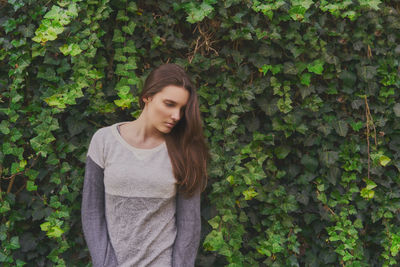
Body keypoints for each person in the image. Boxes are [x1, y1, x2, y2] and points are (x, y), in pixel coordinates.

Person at [81, 63, 209, 267]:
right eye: (169, 104)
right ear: (147, 96)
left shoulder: (185, 151)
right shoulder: (104, 141)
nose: (176, 116)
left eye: (182, 109)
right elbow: (91, 213)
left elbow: (189, 226)